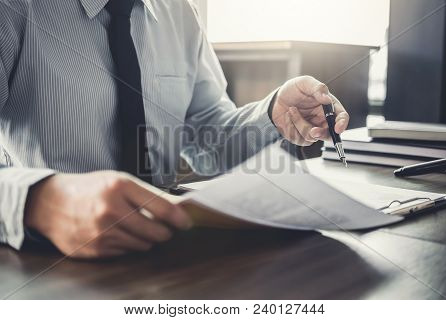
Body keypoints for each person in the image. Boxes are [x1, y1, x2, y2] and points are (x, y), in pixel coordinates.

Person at [0, 0, 349, 258]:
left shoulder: (179, 12)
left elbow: (209, 142)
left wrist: (273, 114)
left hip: (167, 251)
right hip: (43, 260)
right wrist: (37, 201)